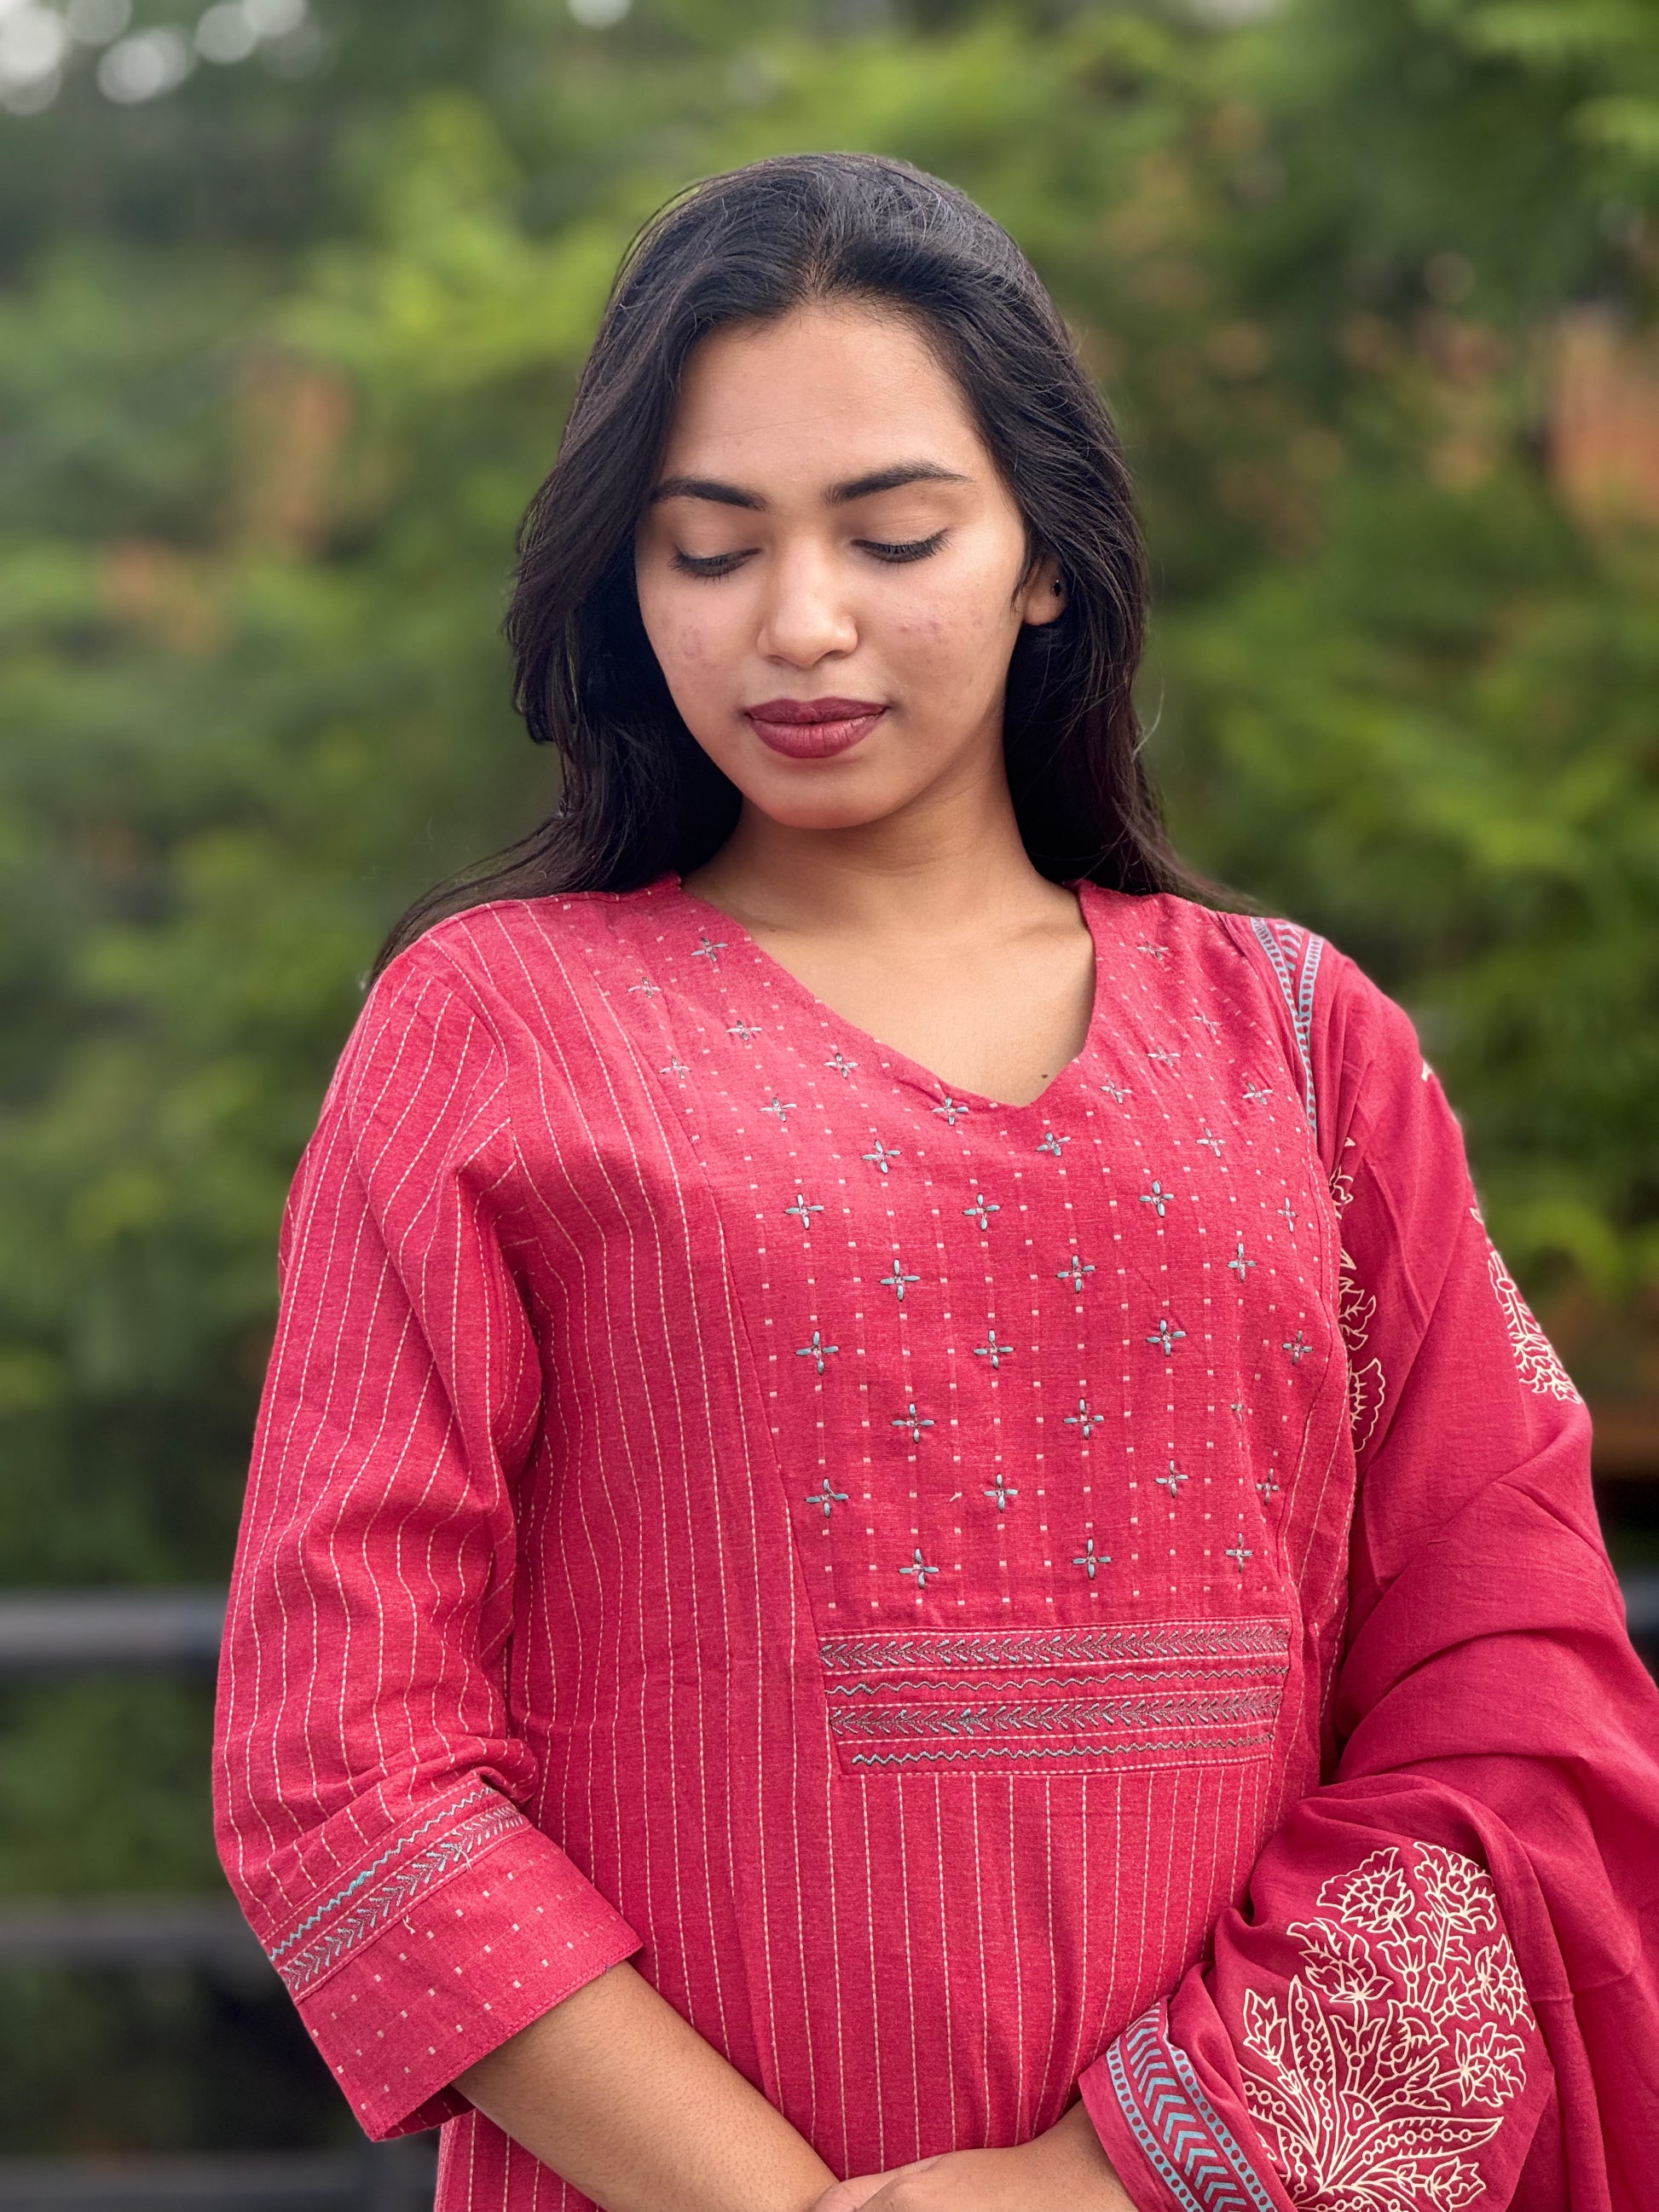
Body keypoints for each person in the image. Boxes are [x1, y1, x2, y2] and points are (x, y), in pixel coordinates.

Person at [211, 152, 1659, 2212]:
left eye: (893, 534)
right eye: (709, 548)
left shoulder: (1306, 1049)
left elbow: (1511, 1693)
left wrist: (1100, 2179)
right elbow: (340, 1752)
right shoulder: (491, 1027)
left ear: (1044, 551)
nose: (800, 623)